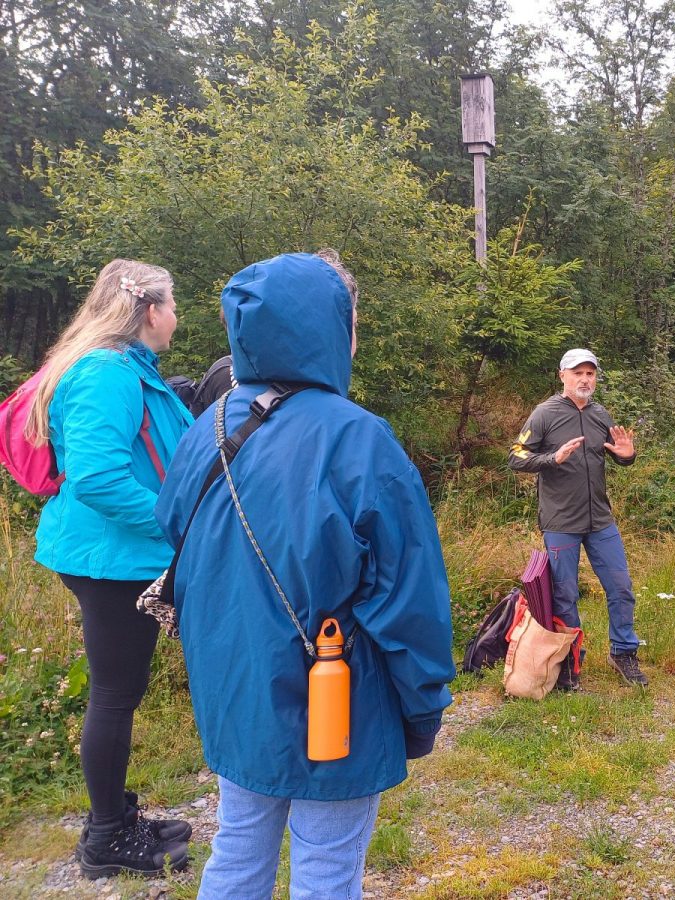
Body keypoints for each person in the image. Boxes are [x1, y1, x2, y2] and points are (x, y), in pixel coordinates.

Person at [155, 250, 455, 899]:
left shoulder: (204, 430)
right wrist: (424, 708)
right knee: (325, 870)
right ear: (334, 330)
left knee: (236, 852)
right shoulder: (361, 440)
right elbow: (409, 601)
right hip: (337, 701)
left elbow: (177, 538)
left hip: (236, 695)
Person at [27, 259, 194, 878]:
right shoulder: (107, 373)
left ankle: (115, 819)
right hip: (112, 560)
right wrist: (173, 521)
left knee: (118, 691)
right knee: (116, 694)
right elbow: (98, 478)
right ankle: (106, 839)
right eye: (172, 306)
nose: (177, 318)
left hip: (117, 555)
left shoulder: (125, 370)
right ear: (150, 311)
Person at [508, 348, 647, 688]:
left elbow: (618, 455)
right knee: (566, 595)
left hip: (600, 519)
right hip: (560, 522)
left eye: (590, 373)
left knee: (621, 587)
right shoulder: (544, 413)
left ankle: (623, 653)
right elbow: (516, 456)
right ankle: (570, 664)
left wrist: (627, 457)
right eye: (578, 373)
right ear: (562, 377)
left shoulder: (601, 414)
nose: (585, 379)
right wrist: (552, 458)